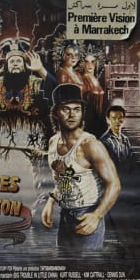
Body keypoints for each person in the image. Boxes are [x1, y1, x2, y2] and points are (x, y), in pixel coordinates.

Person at [41, 83, 120, 249]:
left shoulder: (90, 145)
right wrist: (51, 201)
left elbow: (114, 184)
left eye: (77, 109)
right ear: (55, 113)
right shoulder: (53, 142)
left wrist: (97, 216)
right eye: (66, 109)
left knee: (86, 270)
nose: (72, 115)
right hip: (65, 217)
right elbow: (62, 178)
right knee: (65, 271)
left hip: (88, 215)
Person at [99, 102, 133, 175]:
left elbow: (131, 161)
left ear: (124, 119)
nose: (117, 121)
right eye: (114, 118)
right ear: (108, 120)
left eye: (120, 118)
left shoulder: (125, 139)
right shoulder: (104, 141)